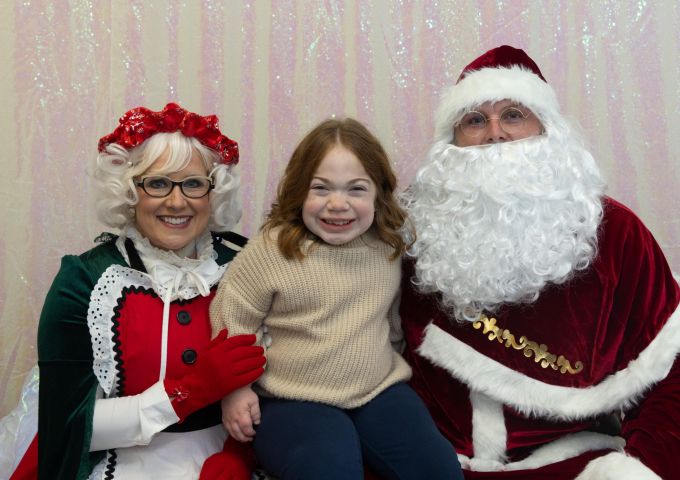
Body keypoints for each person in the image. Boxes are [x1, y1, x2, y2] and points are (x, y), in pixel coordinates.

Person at [400, 45, 680, 479]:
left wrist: (641, 467)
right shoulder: (411, 232)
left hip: (569, 459)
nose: (495, 133)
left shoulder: (617, 233)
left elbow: (672, 374)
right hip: (427, 457)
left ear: (546, 129)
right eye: (475, 119)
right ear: (451, 142)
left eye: (513, 115)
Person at [9, 102, 267, 480]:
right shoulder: (86, 280)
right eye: (157, 183)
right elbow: (66, 427)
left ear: (214, 192)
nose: (177, 202)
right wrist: (190, 391)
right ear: (129, 191)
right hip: (123, 463)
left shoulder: (251, 264)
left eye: (193, 183)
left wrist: (239, 455)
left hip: (232, 455)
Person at [209, 118, 463, 480]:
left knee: (436, 466)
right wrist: (235, 390)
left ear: (379, 192)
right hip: (291, 397)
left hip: (378, 390)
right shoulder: (273, 249)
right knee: (327, 465)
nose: (338, 204)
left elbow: (390, 322)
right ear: (299, 192)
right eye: (321, 188)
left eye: (356, 189)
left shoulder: (386, 247)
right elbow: (233, 319)